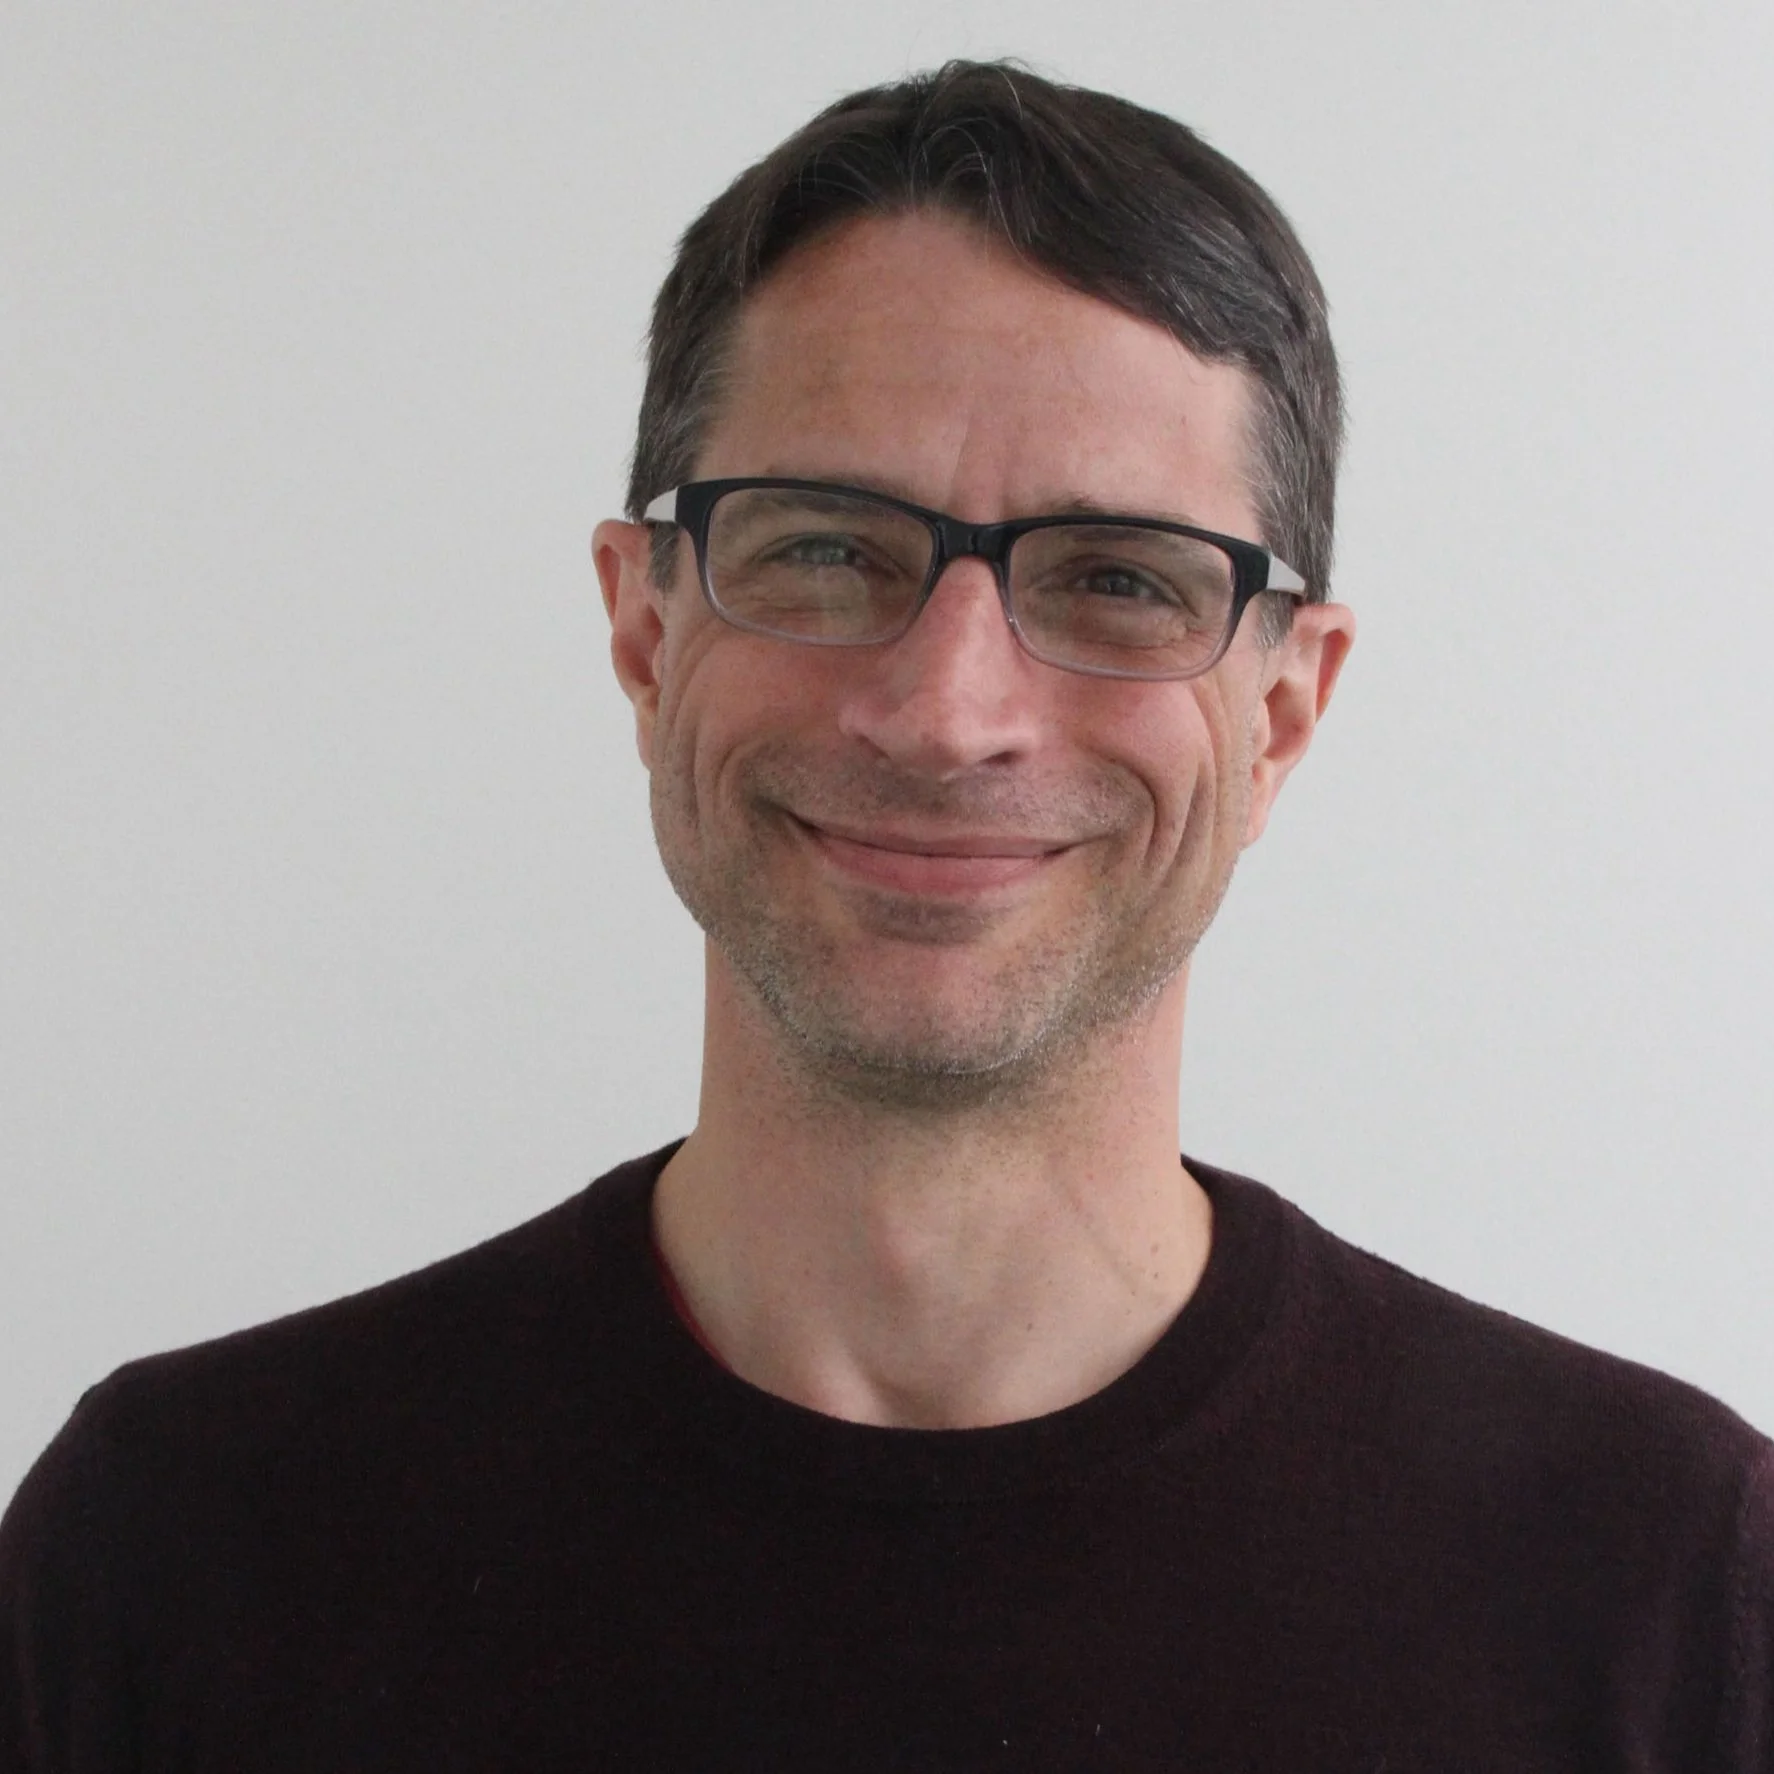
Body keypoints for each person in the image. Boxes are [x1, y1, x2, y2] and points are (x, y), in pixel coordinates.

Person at [3, 59, 1769, 1772]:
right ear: (645, 632)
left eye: (1118, 578)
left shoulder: (1666, 1587)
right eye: (827, 548)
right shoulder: (170, 1553)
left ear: (1281, 712)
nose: (945, 712)